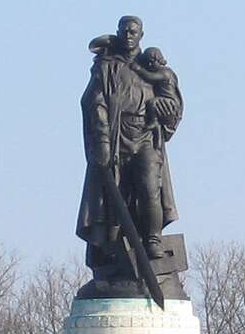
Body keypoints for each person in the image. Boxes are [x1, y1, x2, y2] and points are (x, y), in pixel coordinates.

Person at [77, 16, 183, 282]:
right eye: (124, 31)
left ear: (141, 34)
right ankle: (113, 253)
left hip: (145, 135)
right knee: (112, 200)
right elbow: (94, 101)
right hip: (114, 138)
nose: (128, 35)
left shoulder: (150, 65)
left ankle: (153, 239)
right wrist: (101, 139)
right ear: (118, 32)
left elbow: (173, 103)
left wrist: (164, 109)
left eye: (133, 31)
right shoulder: (106, 65)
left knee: (149, 187)